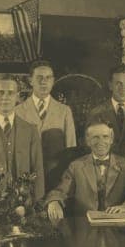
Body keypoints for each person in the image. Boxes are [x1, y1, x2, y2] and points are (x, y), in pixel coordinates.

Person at [45, 119, 125, 222]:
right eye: (95, 137)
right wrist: (54, 201)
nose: (101, 142)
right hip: (85, 225)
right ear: (88, 141)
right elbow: (61, 190)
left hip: (117, 224)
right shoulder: (76, 166)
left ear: (111, 139)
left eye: (105, 137)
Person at [15, 59, 77, 188]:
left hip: (56, 177)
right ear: (31, 80)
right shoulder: (18, 111)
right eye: (39, 77)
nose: (44, 82)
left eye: (48, 78)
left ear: (53, 81)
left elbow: (71, 148)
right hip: (26, 178)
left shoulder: (64, 111)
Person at [88, 64, 125, 155]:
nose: (123, 88)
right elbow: (89, 145)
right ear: (110, 85)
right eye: (118, 83)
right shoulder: (96, 113)